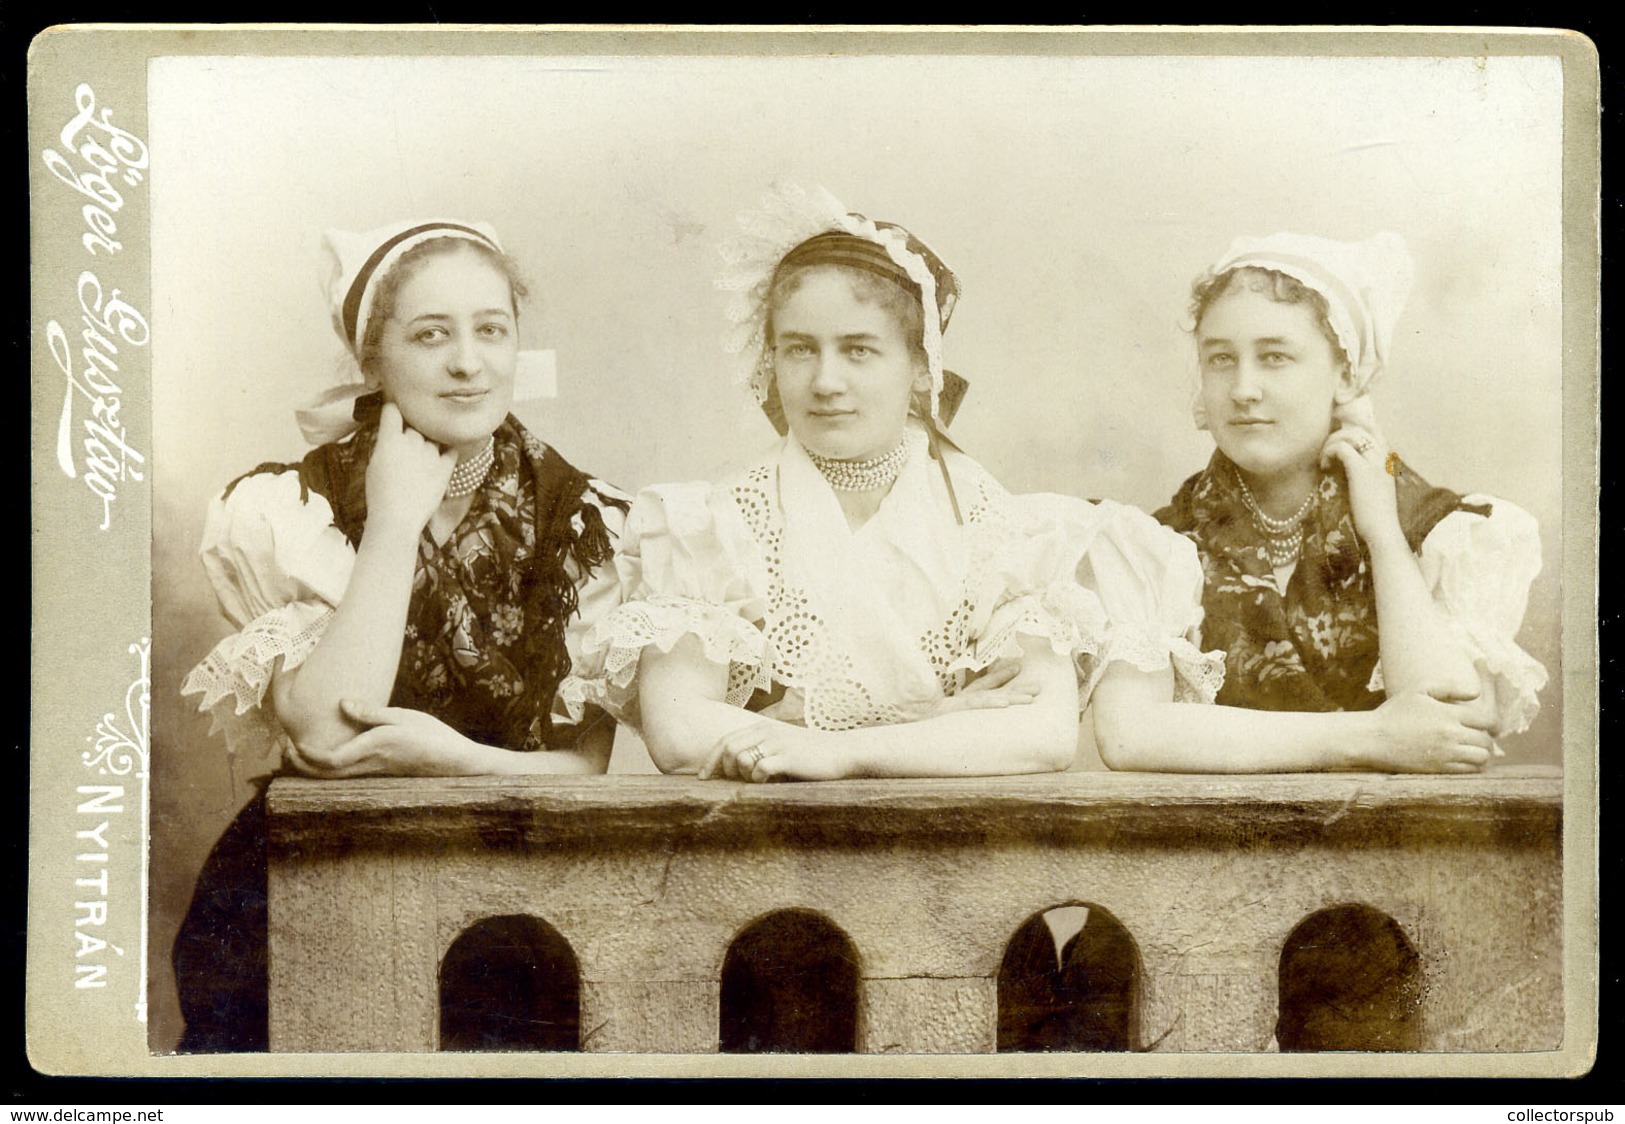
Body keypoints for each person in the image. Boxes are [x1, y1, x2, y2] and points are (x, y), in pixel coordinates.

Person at [580, 185, 1222, 784]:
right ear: (770, 359)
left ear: (921, 368)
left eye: (859, 350)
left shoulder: (1003, 530)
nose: (826, 381)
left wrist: (830, 749)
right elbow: (682, 731)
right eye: (801, 349)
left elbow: (1040, 732)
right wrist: (934, 727)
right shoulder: (710, 525)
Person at [175, 218, 629, 1051]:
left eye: (491, 330)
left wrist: (448, 757)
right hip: (313, 880)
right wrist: (392, 520)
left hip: (517, 889)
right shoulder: (291, 506)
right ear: (371, 360)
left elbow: (585, 764)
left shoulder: (583, 516)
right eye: (430, 335)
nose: (468, 362)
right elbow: (323, 732)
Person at [1091, 230, 1547, 774]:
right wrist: (1374, 735)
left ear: (1347, 375)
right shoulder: (1155, 545)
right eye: (1220, 359)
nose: (1243, 389)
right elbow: (1129, 736)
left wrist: (1382, 533)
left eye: (1275, 357)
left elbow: (1455, 723)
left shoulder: (1435, 528)